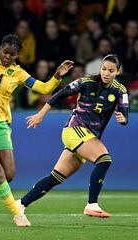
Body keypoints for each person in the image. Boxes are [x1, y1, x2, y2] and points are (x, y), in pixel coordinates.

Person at [0, 14, 74, 227]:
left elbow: (44, 88)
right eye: (5, 52)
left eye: (13, 54)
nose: (8, 57)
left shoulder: (18, 73)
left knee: (8, 175)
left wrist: (57, 75)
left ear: (18, 55)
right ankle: (18, 213)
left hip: (0, 125)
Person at [19, 54, 129, 219]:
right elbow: (61, 94)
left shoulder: (120, 91)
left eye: (111, 70)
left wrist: (123, 119)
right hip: (75, 129)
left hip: (88, 138)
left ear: (118, 72)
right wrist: (41, 115)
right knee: (104, 159)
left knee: (55, 177)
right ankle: (92, 204)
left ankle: (19, 204)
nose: (106, 73)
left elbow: (125, 113)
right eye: (104, 69)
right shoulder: (87, 82)